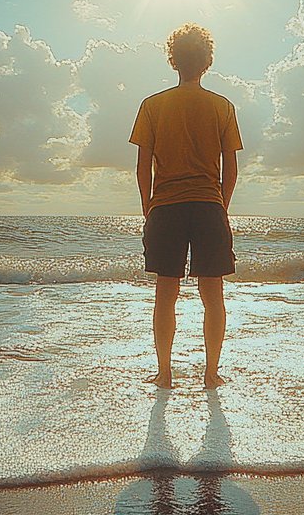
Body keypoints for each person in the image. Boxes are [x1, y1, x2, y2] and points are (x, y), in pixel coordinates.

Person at [130, 23, 242, 389]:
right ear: (207, 62)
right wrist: (219, 205)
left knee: (166, 293)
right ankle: (211, 374)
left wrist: (149, 207)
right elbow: (231, 168)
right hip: (209, 206)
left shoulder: (152, 105)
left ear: (173, 60)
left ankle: (165, 373)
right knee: (213, 294)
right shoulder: (222, 106)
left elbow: (142, 166)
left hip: (166, 207)